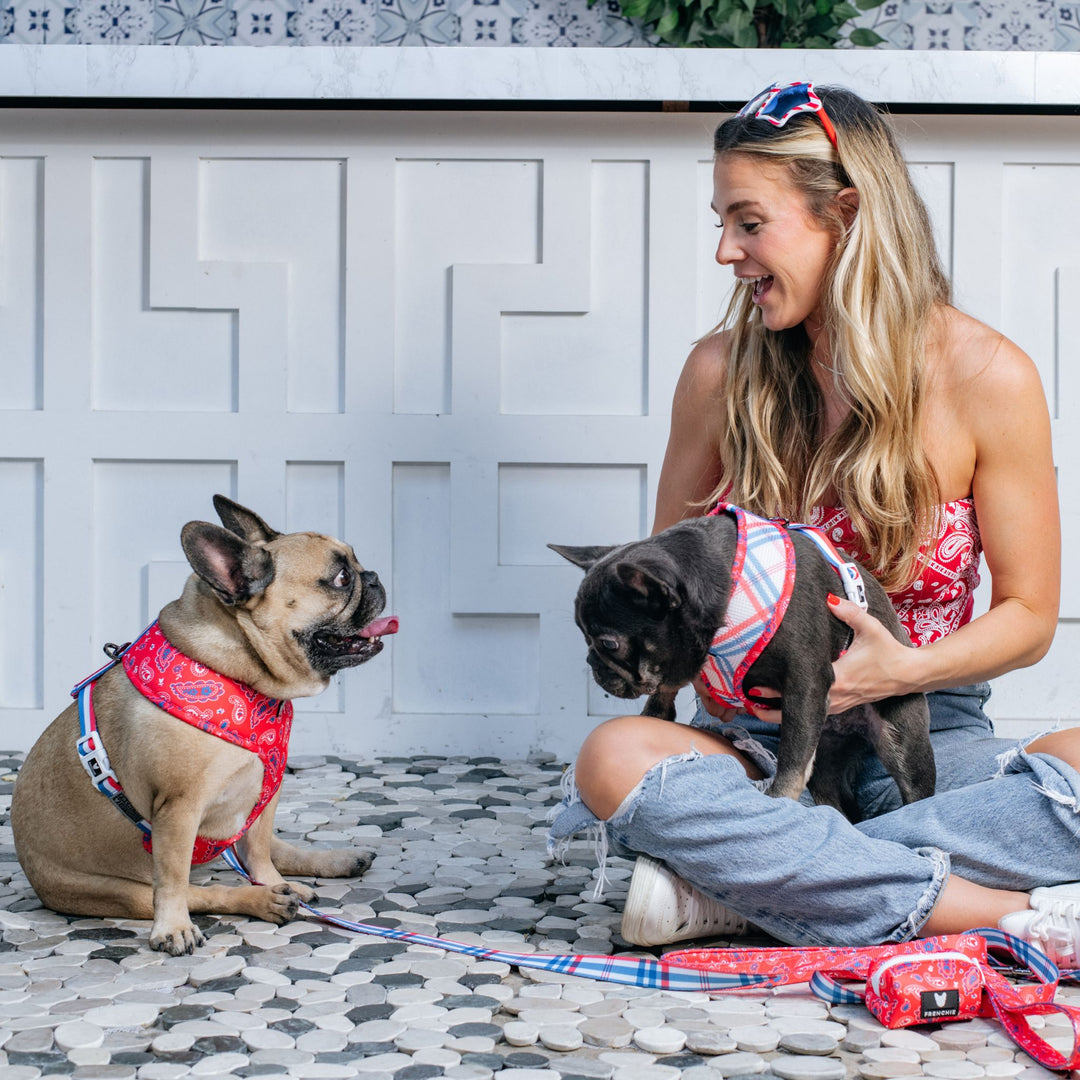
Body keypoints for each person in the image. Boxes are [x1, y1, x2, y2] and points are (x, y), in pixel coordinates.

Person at [547, 82, 1080, 964]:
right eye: (720, 222)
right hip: (760, 749)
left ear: (845, 212)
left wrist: (901, 669)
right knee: (614, 757)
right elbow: (669, 596)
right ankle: (995, 913)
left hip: (928, 738)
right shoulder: (719, 373)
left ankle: (742, 885)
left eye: (749, 222)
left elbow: (1027, 618)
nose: (726, 251)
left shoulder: (990, 375)